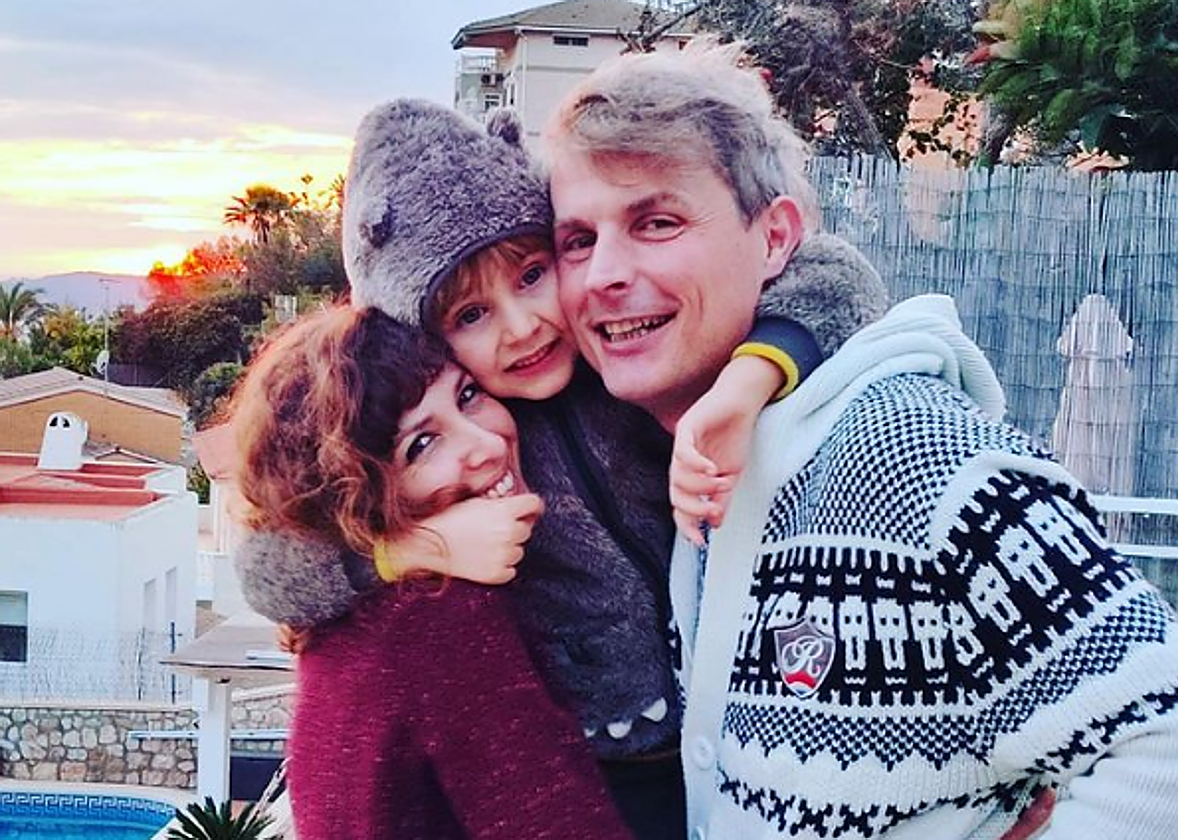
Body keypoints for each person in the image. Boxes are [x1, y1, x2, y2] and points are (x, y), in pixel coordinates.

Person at [542, 38, 1178, 839]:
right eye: (577, 240)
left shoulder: (903, 450)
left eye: (657, 222)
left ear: (775, 238)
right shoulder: (690, 461)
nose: (603, 273)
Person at [233, 98, 873, 840]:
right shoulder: (464, 458)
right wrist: (416, 548)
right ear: (425, 340)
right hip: (609, 768)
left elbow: (834, 274)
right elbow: (266, 569)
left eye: (533, 275)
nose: (523, 326)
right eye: (470, 316)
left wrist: (746, 381)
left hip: (741, 724)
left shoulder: (628, 355)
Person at [227, 304, 633, 840]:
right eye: (421, 444)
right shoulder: (437, 617)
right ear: (358, 495)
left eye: (468, 395)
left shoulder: (354, 618)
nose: (488, 445)